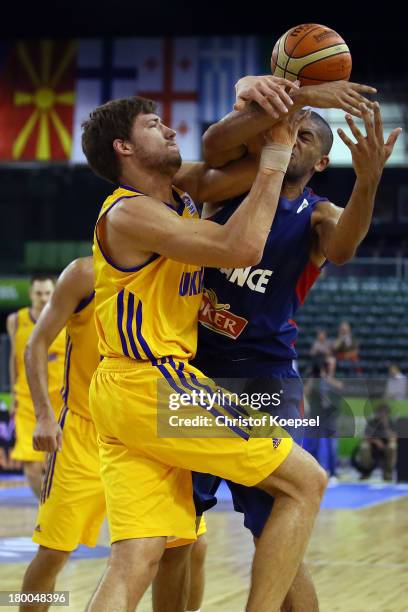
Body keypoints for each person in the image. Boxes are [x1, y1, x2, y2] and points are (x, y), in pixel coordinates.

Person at [81, 93, 329, 612]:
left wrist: (272, 93)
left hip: (123, 394)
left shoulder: (181, 192)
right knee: (307, 482)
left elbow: (232, 157)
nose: (171, 130)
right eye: (154, 125)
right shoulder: (131, 213)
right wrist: (278, 151)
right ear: (124, 147)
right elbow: (239, 248)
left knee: (137, 558)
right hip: (152, 383)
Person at [192, 82, 401, 609]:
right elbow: (215, 143)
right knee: (177, 527)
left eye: (303, 134)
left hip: (262, 376)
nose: (290, 138)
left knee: (275, 526)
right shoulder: (226, 188)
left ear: (323, 159)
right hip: (193, 369)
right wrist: (274, 95)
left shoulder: (317, 213)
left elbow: (346, 247)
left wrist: (369, 180)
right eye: (285, 131)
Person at [20, 256, 207, 612]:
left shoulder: (176, 271)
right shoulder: (83, 274)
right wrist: (44, 415)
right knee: (53, 553)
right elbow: (36, 345)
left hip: (152, 425)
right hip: (82, 432)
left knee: (191, 547)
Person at [6, 274, 65, 497]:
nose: (43, 298)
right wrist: (13, 394)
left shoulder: (66, 318)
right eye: (39, 293)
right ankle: (44, 505)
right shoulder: (15, 321)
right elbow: (14, 358)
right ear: (31, 294)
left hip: (60, 400)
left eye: (48, 293)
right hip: (28, 400)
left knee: (57, 461)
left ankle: (53, 509)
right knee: (30, 465)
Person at [357, 402, 397, 481]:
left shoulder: (391, 422)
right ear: (377, 413)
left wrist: (386, 426)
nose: (382, 414)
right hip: (372, 444)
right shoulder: (372, 422)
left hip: (386, 445)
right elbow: (366, 436)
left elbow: (394, 437)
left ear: (388, 413)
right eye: (381, 412)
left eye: (385, 413)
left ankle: (387, 474)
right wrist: (376, 441)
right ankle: (366, 472)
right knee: (364, 447)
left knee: (392, 447)